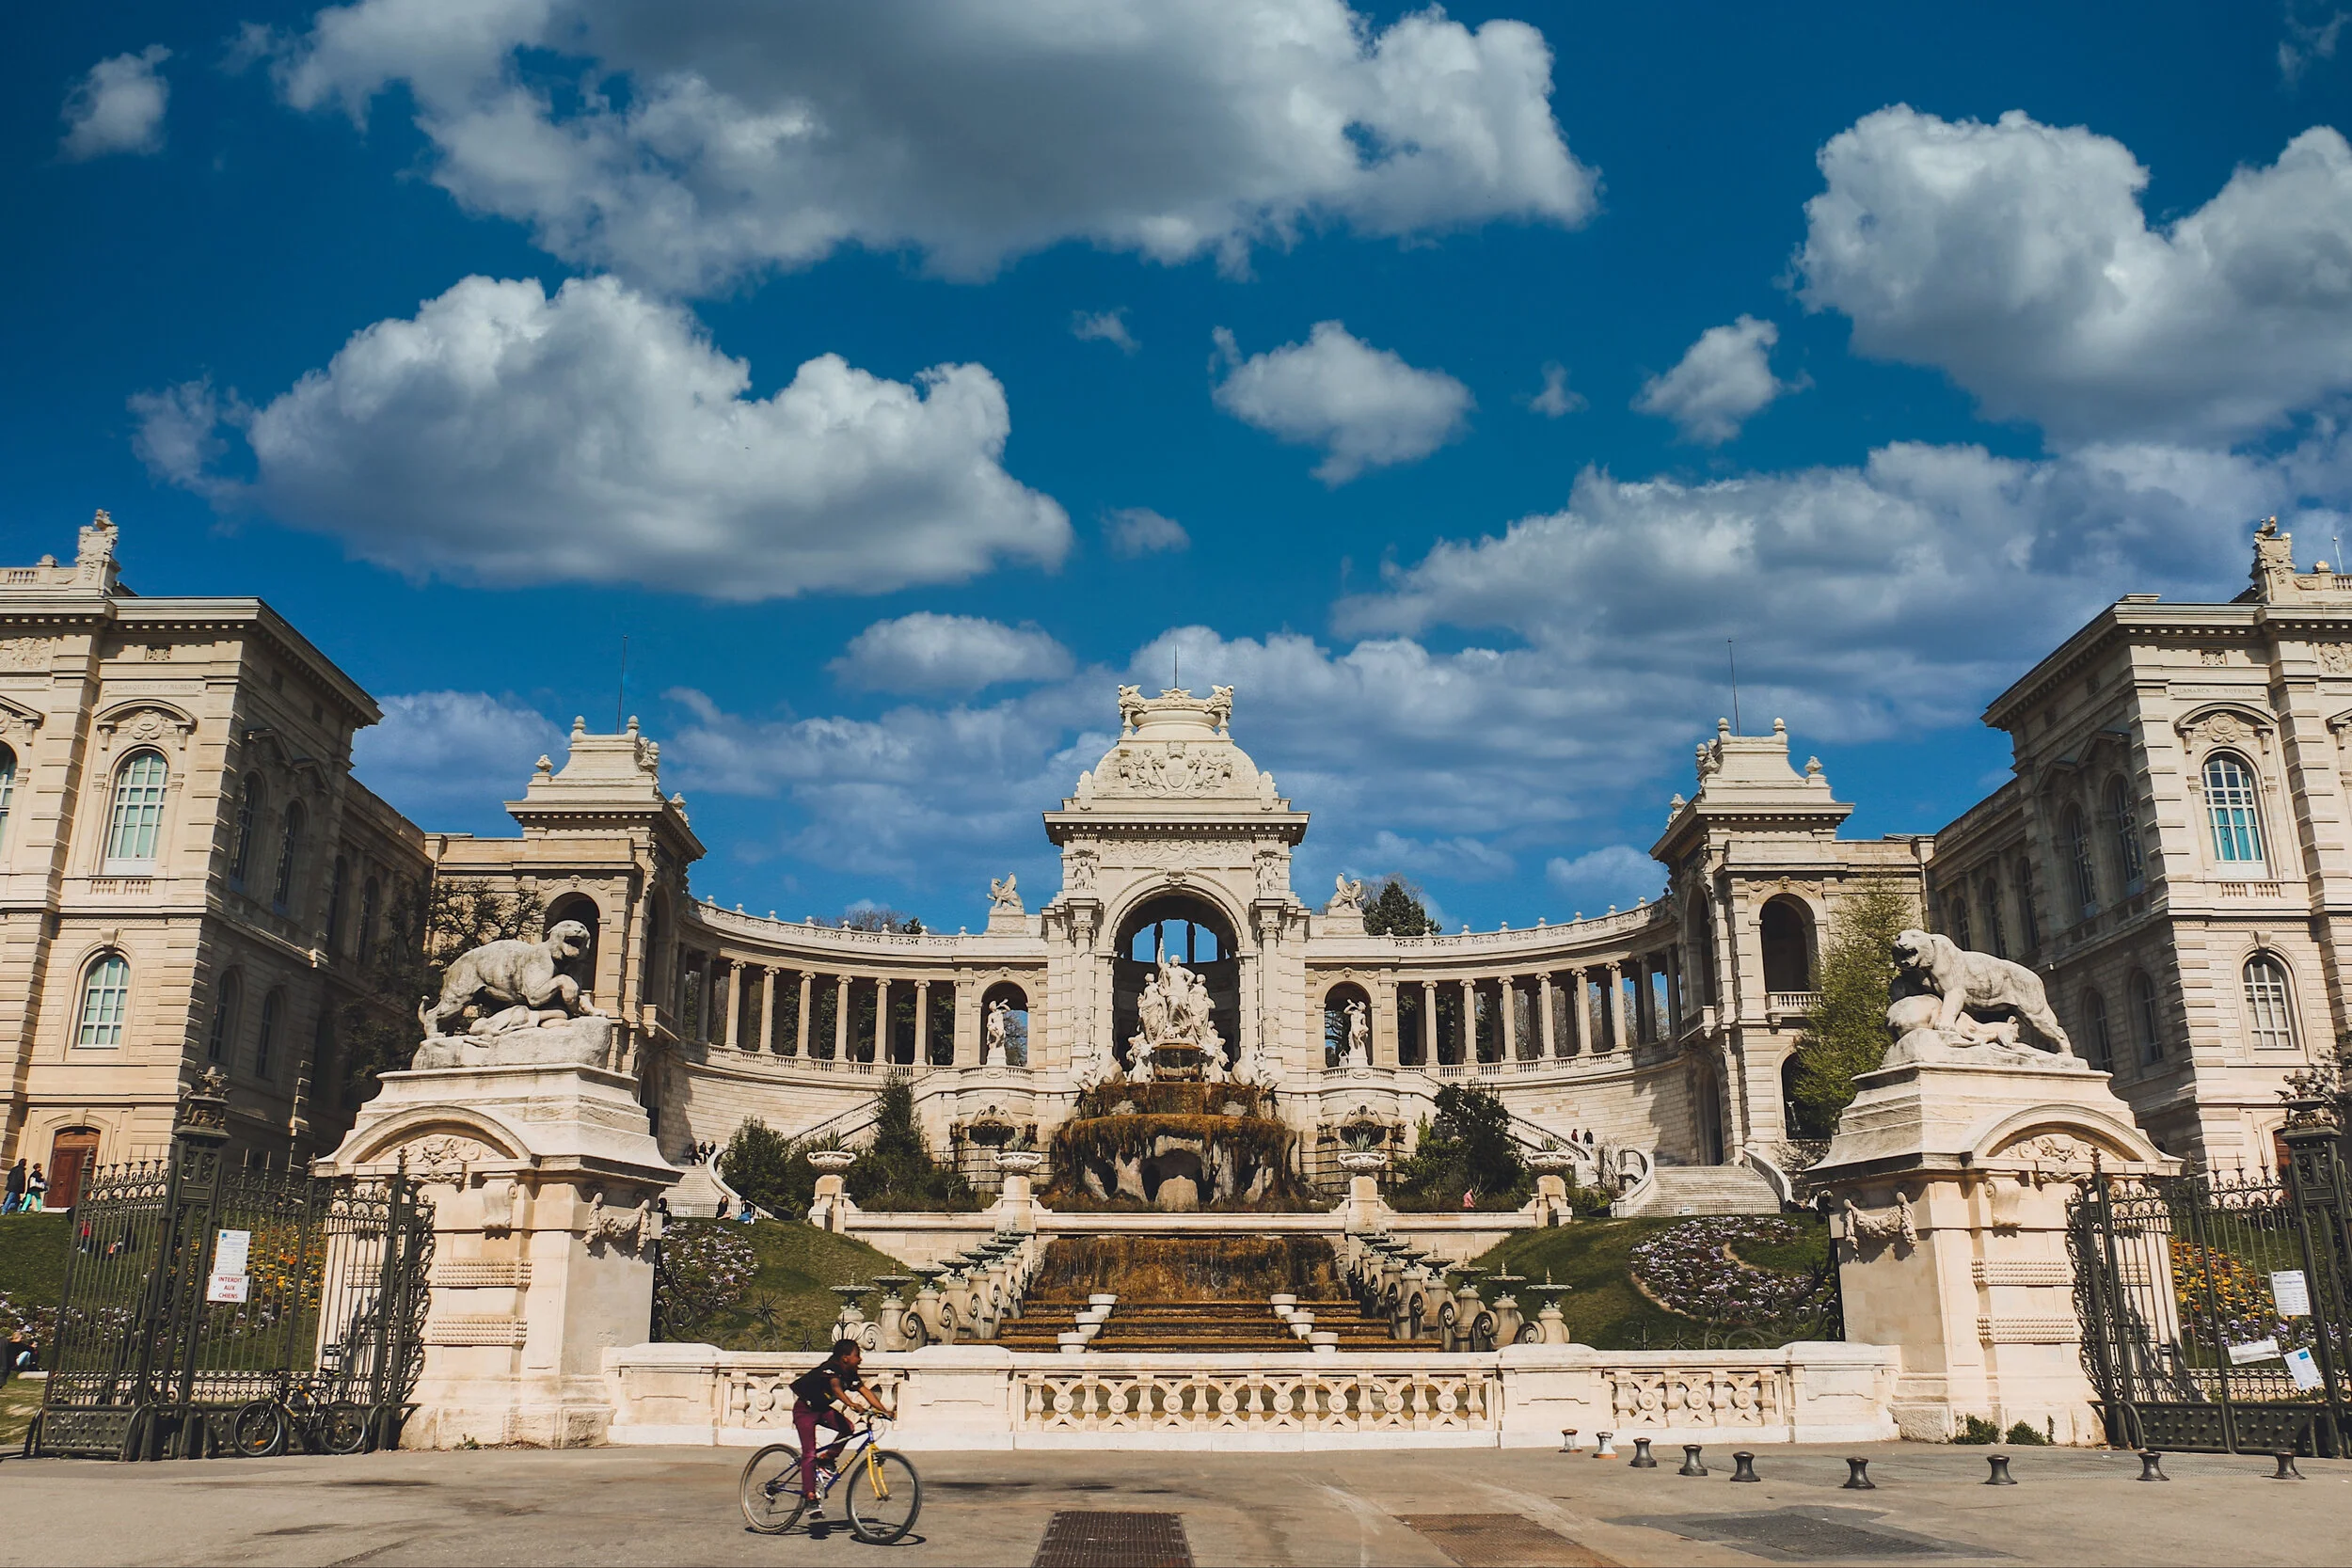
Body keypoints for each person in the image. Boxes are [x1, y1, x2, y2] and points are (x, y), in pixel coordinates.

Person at [787, 1338, 893, 1520]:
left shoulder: (850, 1373)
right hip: (804, 1410)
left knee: (848, 1427)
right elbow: (836, 1388)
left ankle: (828, 1458)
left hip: (821, 1410)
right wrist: (851, 1404)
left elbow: (866, 1392)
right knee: (809, 1454)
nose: (860, 1359)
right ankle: (810, 1497)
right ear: (845, 1358)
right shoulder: (831, 1367)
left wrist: (885, 1411)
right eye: (857, 1355)